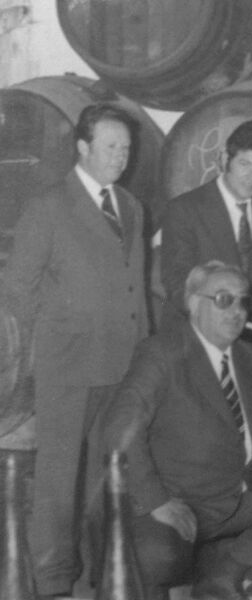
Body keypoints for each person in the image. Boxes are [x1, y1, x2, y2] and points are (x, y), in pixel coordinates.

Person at [102, 261, 252, 600]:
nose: (237, 311)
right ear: (194, 303)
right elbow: (119, 430)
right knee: (155, 559)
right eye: (224, 299)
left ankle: (226, 570)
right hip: (184, 499)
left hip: (243, 491)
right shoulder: (161, 354)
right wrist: (156, 501)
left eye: (243, 301)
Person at [1, 103, 149, 598]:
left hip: (121, 363)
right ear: (83, 148)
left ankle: (94, 574)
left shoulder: (132, 206)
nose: (120, 156)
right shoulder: (48, 205)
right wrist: (58, 328)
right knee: (57, 480)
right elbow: (17, 288)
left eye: (126, 147)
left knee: (104, 477)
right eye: (110, 146)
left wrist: (144, 353)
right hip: (67, 365)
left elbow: (136, 287)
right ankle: (52, 581)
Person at [160, 119, 252, 343]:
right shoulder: (185, 209)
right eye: (245, 164)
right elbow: (177, 286)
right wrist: (225, 320)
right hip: (197, 338)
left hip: (251, 339)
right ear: (224, 159)